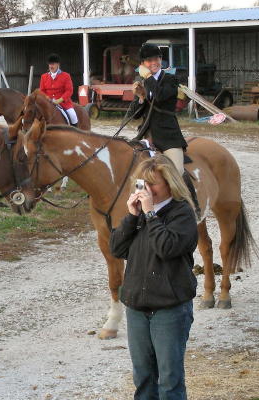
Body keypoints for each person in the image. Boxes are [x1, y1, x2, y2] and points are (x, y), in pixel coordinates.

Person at [110, 155, 198, 400]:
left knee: (170, 380)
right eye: (143, 184)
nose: (147, 190)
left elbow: (167, 248)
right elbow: (116, 249)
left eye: (154, 184)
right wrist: (131, 217)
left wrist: (150, 214)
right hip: (137, 307)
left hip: (169, 308)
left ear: (170, 183)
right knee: (144, 378)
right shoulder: (138, 215)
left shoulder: (182, 213)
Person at [131, 43, 200, 216]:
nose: (153, 62)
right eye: (148, 60)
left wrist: (147, 79)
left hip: (169, 135)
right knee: (139, 171)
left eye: (156, 58)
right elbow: (134, 115)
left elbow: (160, 96)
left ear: (161, 60)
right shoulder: (142, 82)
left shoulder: (171, 79)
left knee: (177, 171)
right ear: (143, 63)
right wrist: (140, 98)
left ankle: (192, 208)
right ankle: (139, 206)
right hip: (147, 135)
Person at [39, 53, 78, 127]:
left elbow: (69, 91)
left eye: (53, 64)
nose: (51, 66)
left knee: (73, 116)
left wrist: (59, 100)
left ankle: (74, 132)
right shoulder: (44, 76)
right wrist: (47, 98)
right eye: (49, 64)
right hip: (48, 103)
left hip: (63, 103)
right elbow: (42, 91)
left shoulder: (66, 76)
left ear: (58, 64)